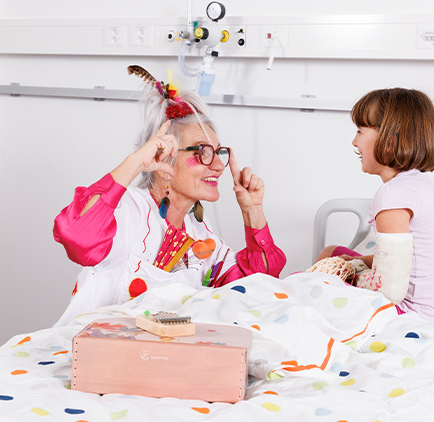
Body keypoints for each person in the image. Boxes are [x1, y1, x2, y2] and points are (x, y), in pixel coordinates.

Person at [53, 66, 286, 326]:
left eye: (219, 152)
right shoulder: (128, 210)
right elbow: (76, 235)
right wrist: (136, 162)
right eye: (203, 153)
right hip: (89, 345)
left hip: (154, 349)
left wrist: (252, 211)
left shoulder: (201, 233)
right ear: (164, 158)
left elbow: (254, 288)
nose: (219, 166)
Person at [316, 88, 434, 326]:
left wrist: (349, 274)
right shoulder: (417, 185)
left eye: (360, 131)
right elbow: (401, 262)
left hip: (413, 317)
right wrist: (354, 262)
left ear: (390, 141)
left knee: (314, 281)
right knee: (331, 253)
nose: (354, 141)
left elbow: (390, 288)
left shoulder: (393, 196)